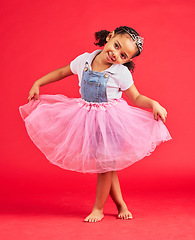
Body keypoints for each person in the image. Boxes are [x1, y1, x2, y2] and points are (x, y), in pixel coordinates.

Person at [19, 26, 172, 223]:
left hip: (111, 122)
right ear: (109, 37)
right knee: (108, 166)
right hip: (87, 119)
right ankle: (120, 204)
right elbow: (63, 71)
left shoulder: (120, 73)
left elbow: (136, 97)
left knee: (105, 166)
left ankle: (98, 208)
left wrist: (153, 104)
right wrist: (38, 82)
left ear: (127, 60)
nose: (116, 54)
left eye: (123, 55)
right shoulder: (85, 59)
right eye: (116, 46)